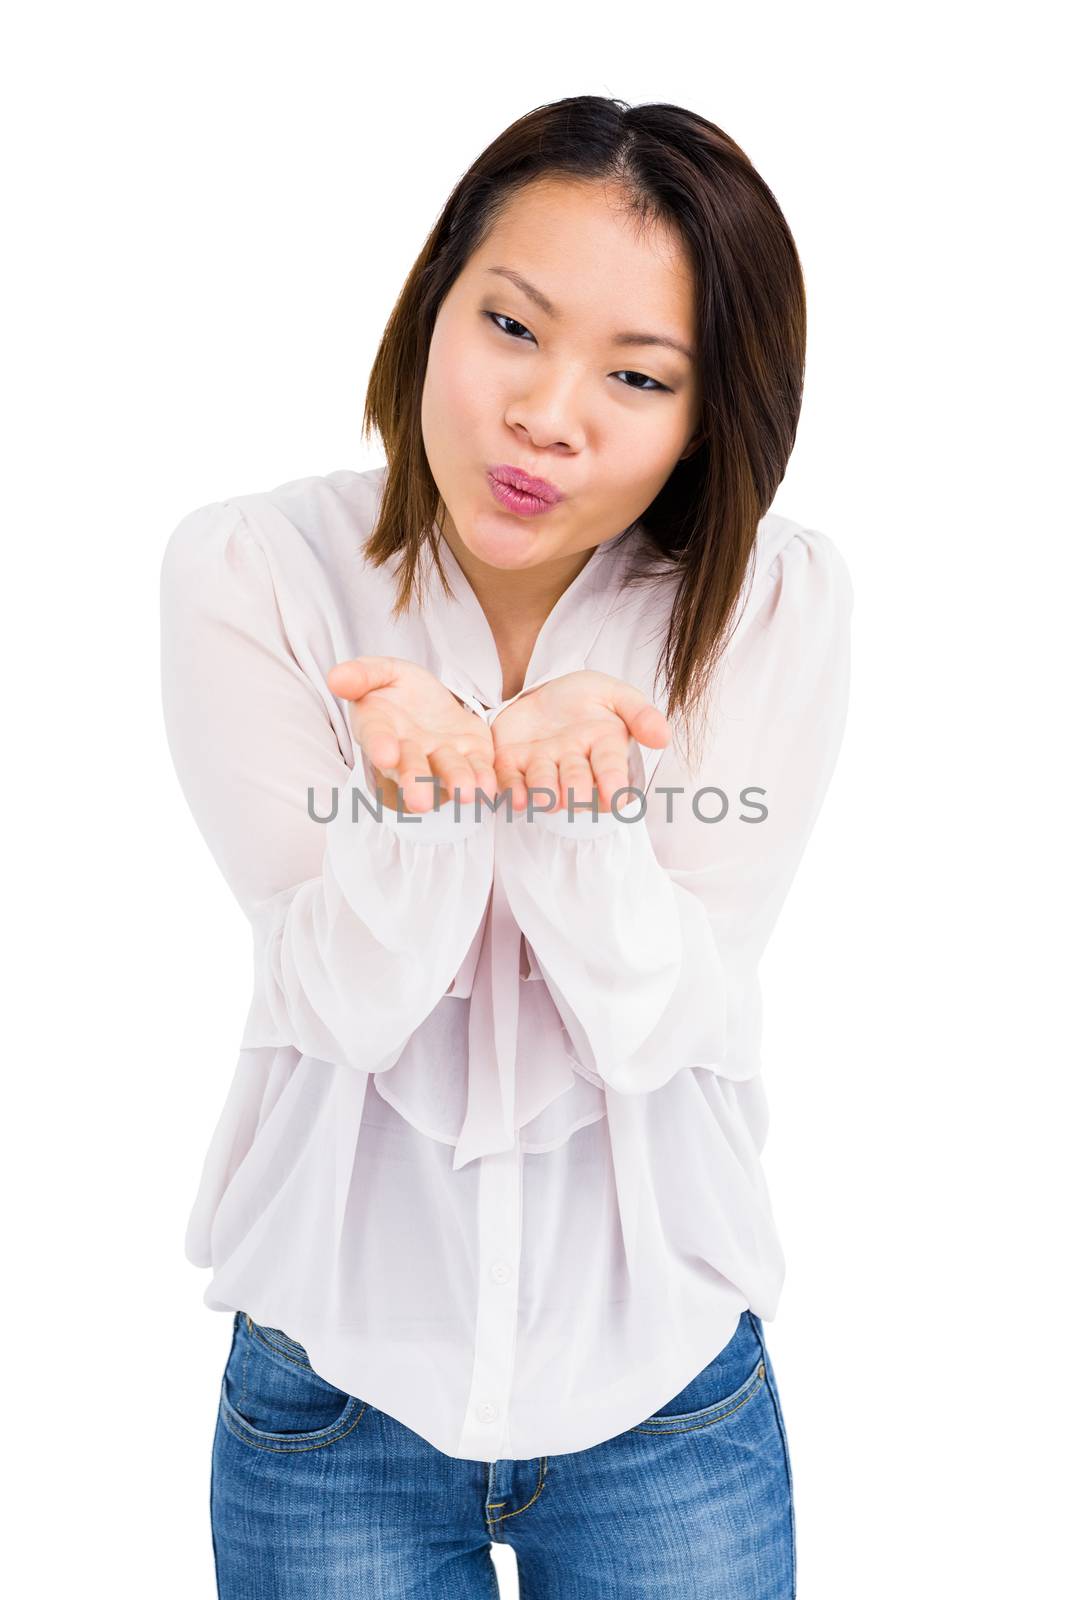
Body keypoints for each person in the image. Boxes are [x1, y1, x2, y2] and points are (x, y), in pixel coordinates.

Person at [160, 93, 852, 1600]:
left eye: (638, 374)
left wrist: (575, 811)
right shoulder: (253, 574)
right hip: (330, 1395)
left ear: (706, 414)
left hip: (666, 1394)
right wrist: (416, 807)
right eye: (513, 327)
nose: (550, 413)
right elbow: (340, 1004)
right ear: (433, 302)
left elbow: (659, 1022)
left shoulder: (773, 606)